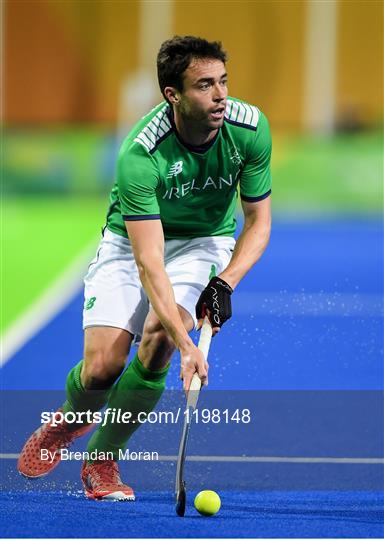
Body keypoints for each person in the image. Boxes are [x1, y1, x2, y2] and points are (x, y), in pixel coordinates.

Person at [17, 36, 272, 501]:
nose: (220, 96)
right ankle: (69, 420)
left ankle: (103, 458)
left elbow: (258, 222)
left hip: (203, 241)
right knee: (101, 369)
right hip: (133, 241)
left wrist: (224, 282)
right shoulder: (141, 153)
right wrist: (188, 343)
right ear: (172, 95)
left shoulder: (251, 129)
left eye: (223, 82)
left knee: (156, 337)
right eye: (204, 86)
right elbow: (149, 261)